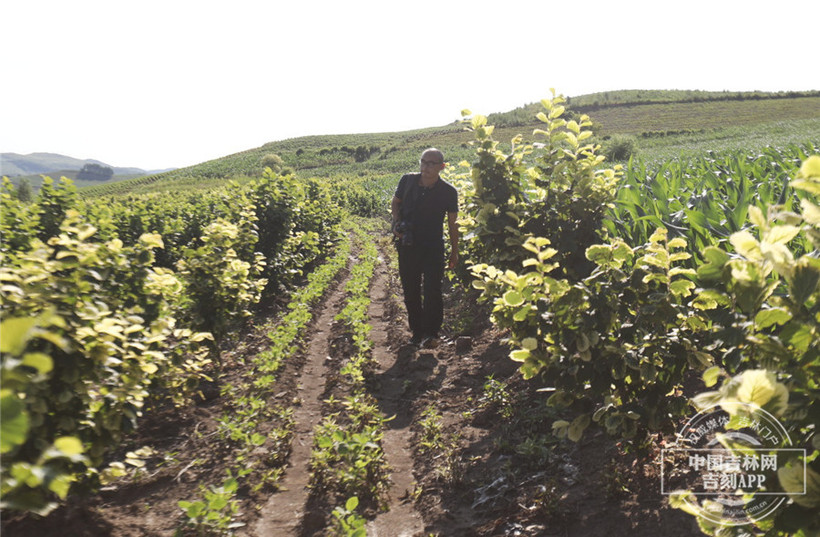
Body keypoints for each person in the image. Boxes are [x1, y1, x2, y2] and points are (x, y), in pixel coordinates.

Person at [391, 148, 459, 348]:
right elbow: (395, 203)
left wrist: (454, 252)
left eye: (431, 163)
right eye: (423, 162)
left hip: (433, 246)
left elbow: (453, 224)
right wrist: (396, 222)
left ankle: (431, 334)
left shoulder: (448, 192)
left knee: (433, 290)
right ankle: (416, 333)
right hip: (408, 244)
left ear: (442, 167)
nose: (426, 167)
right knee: (410, 289)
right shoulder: (407, 181)